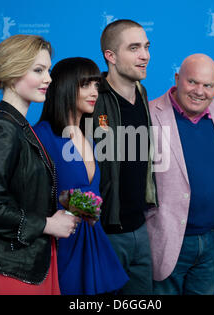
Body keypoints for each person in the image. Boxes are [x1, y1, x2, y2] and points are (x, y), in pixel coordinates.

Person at [0, 35, 80, 295]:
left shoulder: (19, 125)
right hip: (9, 267)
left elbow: (20, 191)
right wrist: (47, 224)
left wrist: (59, 206)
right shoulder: (3, 129)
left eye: (48, 70)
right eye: (38, 70)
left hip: (30, 261)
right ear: (11, 74)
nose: (49, 79)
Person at [33, 57, 129, 295]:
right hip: (60, 250)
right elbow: (33, 197)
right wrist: (85, 207)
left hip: (94, 243)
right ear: (65, 86)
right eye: (86, 85)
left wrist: (90, 208)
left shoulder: (89, 137)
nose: (94, 92)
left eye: (96, 85)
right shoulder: (40, 137)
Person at [146, 54, 214, 295]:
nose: (199, 91)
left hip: (209, 240)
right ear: (177, 79)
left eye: (207, 85)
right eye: (192, 82)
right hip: (166, 239)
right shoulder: (149, 114)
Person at [92, 19, 157, 295]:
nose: (145, 55)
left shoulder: (142, 93)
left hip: (141, 228)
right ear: (111, 56)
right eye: (134, 48)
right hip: (105, 232)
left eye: (146, 46)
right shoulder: (91, 98)